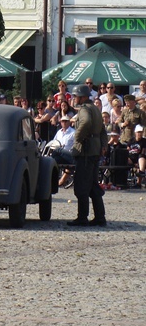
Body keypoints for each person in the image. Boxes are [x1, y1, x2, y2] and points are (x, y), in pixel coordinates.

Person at [67, 84, 107, 227]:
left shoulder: (85, 109)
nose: (74, 98)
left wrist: (77, 138)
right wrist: (103, 145)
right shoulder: (95, 109)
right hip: (95, 150)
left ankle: (82, 217)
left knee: (82, 185)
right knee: (92, 185)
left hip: (86, 151)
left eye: (76, 96)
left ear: (83, 97)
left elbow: (85, 122)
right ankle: (100, 217)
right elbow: (102, 130)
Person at [53, 115, 76, 187]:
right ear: (60, 122)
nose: (64, 123)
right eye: (63, 121)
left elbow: (76, 145)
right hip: (61, 156)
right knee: (53, 160)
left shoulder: (73, 132)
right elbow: (54, 142)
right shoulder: (59, 132)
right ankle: (53, 182)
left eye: (66, 121)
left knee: (58, 149)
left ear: (69, 122)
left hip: (70, 155)